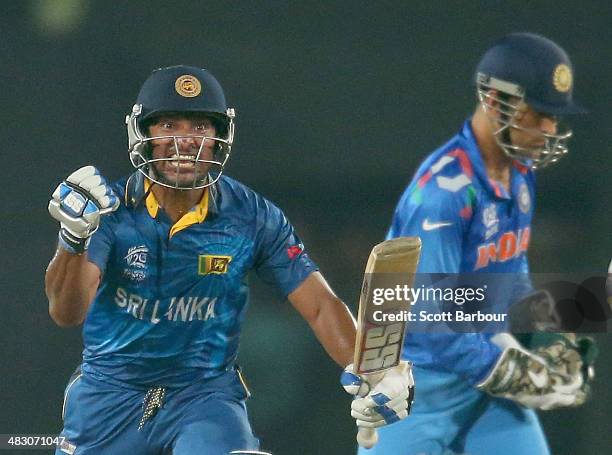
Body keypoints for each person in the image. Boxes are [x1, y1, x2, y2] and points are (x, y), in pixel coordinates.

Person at [45, 65, 413, 455]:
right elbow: (67, 313)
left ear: (220, 137)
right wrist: (72, 241)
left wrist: (375, 371)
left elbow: (321, 306)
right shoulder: (109, 212)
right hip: (111, 393)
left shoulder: (252, 216)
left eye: (200, 127)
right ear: (144, 135)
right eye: (168, 125)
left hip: (203, 396)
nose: (184, 141)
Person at [366, 33, 595, 455]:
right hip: (416, 389)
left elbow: (509, 273)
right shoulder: (444, 193)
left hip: (481, 380)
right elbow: (428, 319)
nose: (550, 130)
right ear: (495, 100)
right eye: (540, 113)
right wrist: (513, 373)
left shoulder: (520, 173)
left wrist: (546, 336)